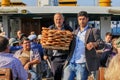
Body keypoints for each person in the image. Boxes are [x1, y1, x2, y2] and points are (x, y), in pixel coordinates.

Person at [63, 11, 103, 80]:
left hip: (82, 64)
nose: (82, 21)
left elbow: (101, 43)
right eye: (80, 19)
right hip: (71, 63)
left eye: (83, 19)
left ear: (87, 19)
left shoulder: (93, 30)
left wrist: (93, 44)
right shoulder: (74, 32)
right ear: (78, 20)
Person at [43, 12, 73, 80]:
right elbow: (45, 42)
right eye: (56, 19)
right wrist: (45, 53)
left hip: (66, 56)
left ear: (63, 20)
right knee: (56, 75)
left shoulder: (68, 29)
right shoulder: (50, 29)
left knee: (67, 76)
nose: (58, 21)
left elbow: (72, 42)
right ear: (54, 20)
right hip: (54, 57)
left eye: (59, 19)